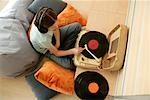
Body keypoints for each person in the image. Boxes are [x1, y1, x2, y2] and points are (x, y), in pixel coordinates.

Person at [26, 7, 84, 100]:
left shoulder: (43, 17)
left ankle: (66, 50)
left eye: (56, 20)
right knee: (71, 64)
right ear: (45, 27)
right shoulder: (42, 39)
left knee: (77, 26)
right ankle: (68, 52)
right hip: (47, 49)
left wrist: (58, 43)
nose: (56, 24)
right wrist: (73, 51)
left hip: (52, 42)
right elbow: (56, 53)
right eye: (53, 24)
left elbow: (56, 29)